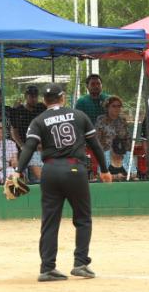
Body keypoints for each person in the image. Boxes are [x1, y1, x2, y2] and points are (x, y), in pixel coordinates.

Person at [14, 82, 112, 281]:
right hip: (75, 169)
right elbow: (95, 145)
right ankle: (80, 263)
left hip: (49, 170)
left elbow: (29, 147)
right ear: (63, 97)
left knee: (50, 220)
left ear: (44, 100)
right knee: (83, 218)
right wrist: (105, 169)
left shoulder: (39, 120)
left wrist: (18, 171)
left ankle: (47, 268)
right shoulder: (78, 115)